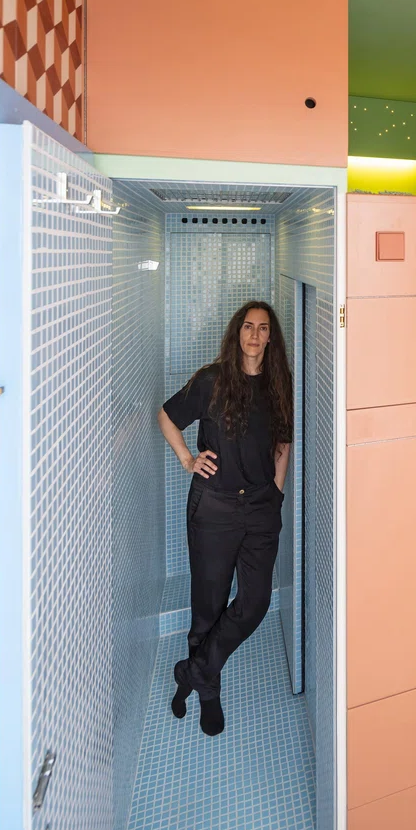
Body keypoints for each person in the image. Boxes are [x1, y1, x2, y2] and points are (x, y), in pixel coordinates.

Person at [158, 301, 292, 736]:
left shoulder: (278, 385)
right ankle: (208, 693)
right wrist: (187, 459)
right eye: (248, 326)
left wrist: (276, 492)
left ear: (271, 337)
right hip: (213, 507)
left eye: (263, 328)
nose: (254, 334)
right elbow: (166, 416)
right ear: (237, 333)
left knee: (255, 603)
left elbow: (283, 443)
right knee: (208, 606)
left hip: (260, 507)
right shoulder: (212, 380)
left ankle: (192, 673)